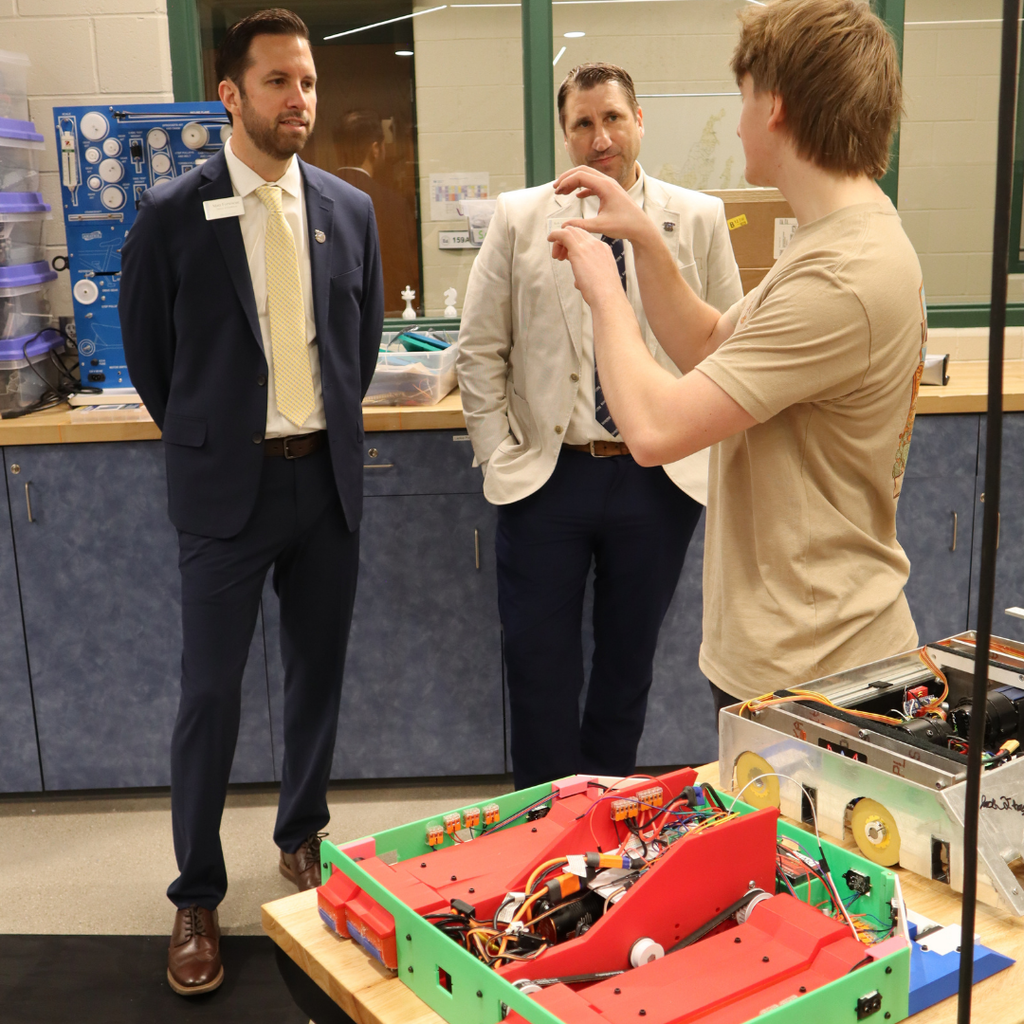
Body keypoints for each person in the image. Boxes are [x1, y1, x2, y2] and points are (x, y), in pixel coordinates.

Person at [548, 0, 923, 716]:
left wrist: (603, 288)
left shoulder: (840, 276)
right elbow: (712, 343)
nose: (740, 118)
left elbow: (654, 430)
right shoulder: (836, 239)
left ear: (775, 107)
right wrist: (647, 243)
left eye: (743, 98)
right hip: (796, 651)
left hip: (818, 667)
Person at [119, 8, 383, 996]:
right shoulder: (171, 215)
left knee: (317, 674)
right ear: (230, 94)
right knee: (210, 696)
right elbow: (153, 359)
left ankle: (302, 836)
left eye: (307, 82)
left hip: (325, 480)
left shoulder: (347, 210)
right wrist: (213, 433)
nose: (299, 100)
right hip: (225, 488)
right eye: (277, 82)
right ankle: (196, 892)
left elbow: (349, 354)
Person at [456, 62, 742, 790]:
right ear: (566, 134)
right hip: (548, 476)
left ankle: (605, 820)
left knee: (626, 664)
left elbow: (727, 352)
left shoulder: (697, 217)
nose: (600, 135)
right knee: (537, 664)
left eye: (613, 117)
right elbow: (481, 349)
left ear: (639, 121)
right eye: (583, 122)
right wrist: (497, 457)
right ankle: (544, 827)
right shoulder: (522, 218)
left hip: (659, 481)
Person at [335, 109, 420, 315]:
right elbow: (404, 269)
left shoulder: (313, 197)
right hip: (386, 310)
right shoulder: (393, 204)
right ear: (375, 149)